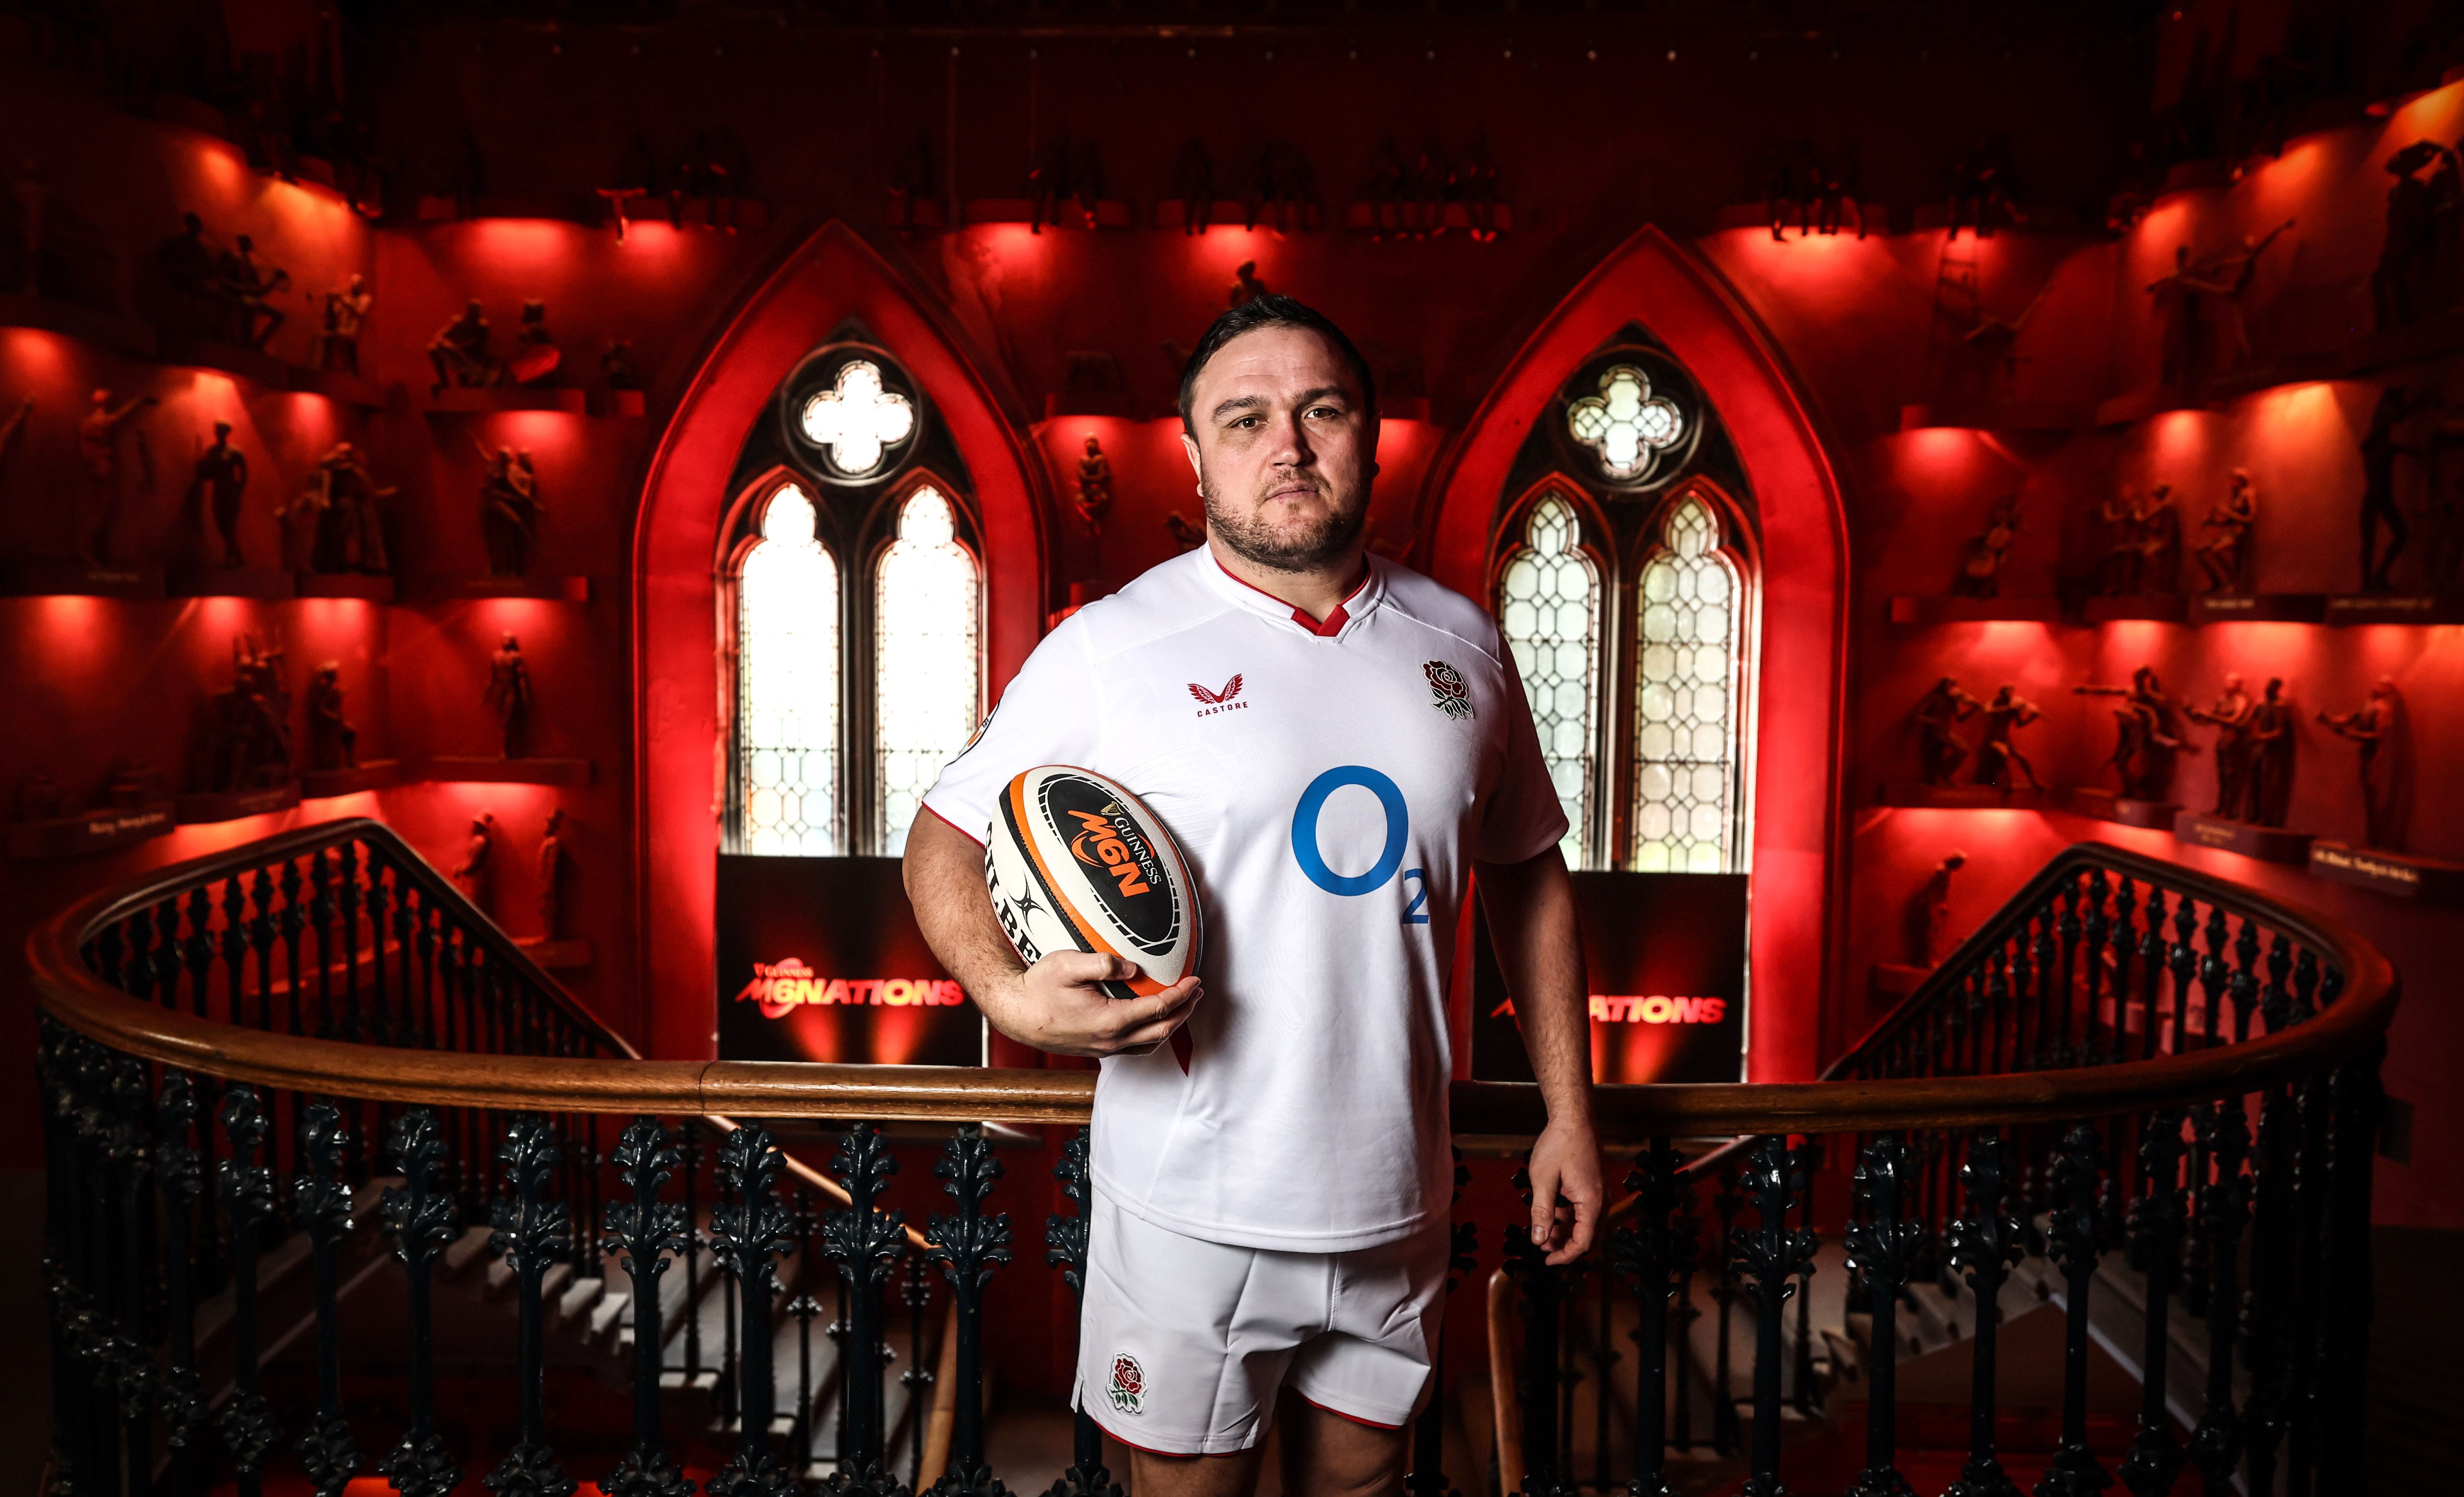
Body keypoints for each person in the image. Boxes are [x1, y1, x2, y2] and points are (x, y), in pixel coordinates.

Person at [903, 294, 1599, 1495]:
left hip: (1398, 1200)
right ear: (1195, 457)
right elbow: (938, 838)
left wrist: (1570, 1111)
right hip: (1189, 1207)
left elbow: (1529, 872)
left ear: (1371, 437)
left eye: (1321, 409)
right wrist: (1011, 996)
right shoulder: (1110, 649)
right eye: (1246, 418)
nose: (1288, 444)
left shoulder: (1465, 644)